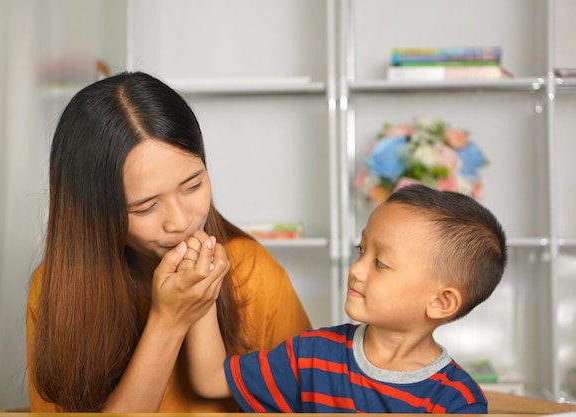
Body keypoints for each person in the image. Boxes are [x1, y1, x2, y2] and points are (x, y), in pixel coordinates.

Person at [25, 71, 312, 413]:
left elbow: (306, 400)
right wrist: (169, 320)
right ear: (92, 211)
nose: (181, 221)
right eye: (146, 207)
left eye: (192, 186)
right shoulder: (58, 289)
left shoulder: (253, 271)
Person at [186, 184, 508, 413]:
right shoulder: (311, 354)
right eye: (362, 251)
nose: (356, 269)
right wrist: (202, 286)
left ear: (441, 302)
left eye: (380, 263)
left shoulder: (456, 401)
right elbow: (211, 379)